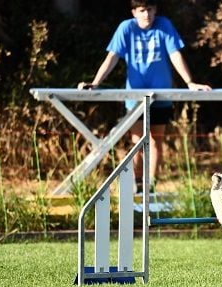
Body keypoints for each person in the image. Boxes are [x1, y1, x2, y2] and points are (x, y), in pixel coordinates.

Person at [78, 0, 211, 191]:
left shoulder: (164, 25)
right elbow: (112, 57)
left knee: (156, 141)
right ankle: (136, 183)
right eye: (142, 10)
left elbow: (175, 55)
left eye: (149, 9)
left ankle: (151, 185)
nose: (146, 14)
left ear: (155, 9)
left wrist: (190, 82)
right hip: (136, 97)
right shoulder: (126, 28)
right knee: (137, 142)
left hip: (161, 96)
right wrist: (96, 83)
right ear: (134, 12)